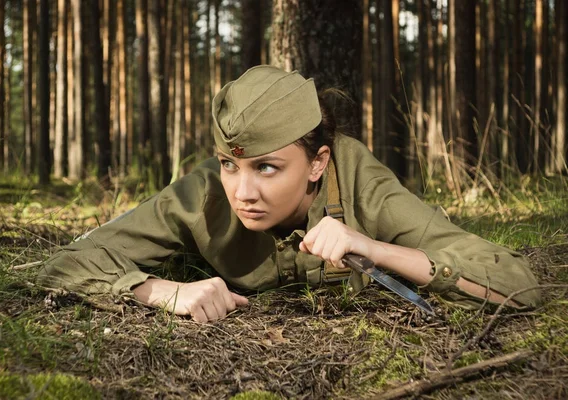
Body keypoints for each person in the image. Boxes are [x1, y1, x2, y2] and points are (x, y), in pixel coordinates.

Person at [37, 65, 541, 323]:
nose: (243, 191)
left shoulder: (362, 182)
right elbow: (66, 262)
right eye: (230, 165)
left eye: (268, 168)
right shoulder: (202, 195)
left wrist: (373, 248)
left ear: (317, 163)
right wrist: (166, 292)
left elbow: (519, 283)